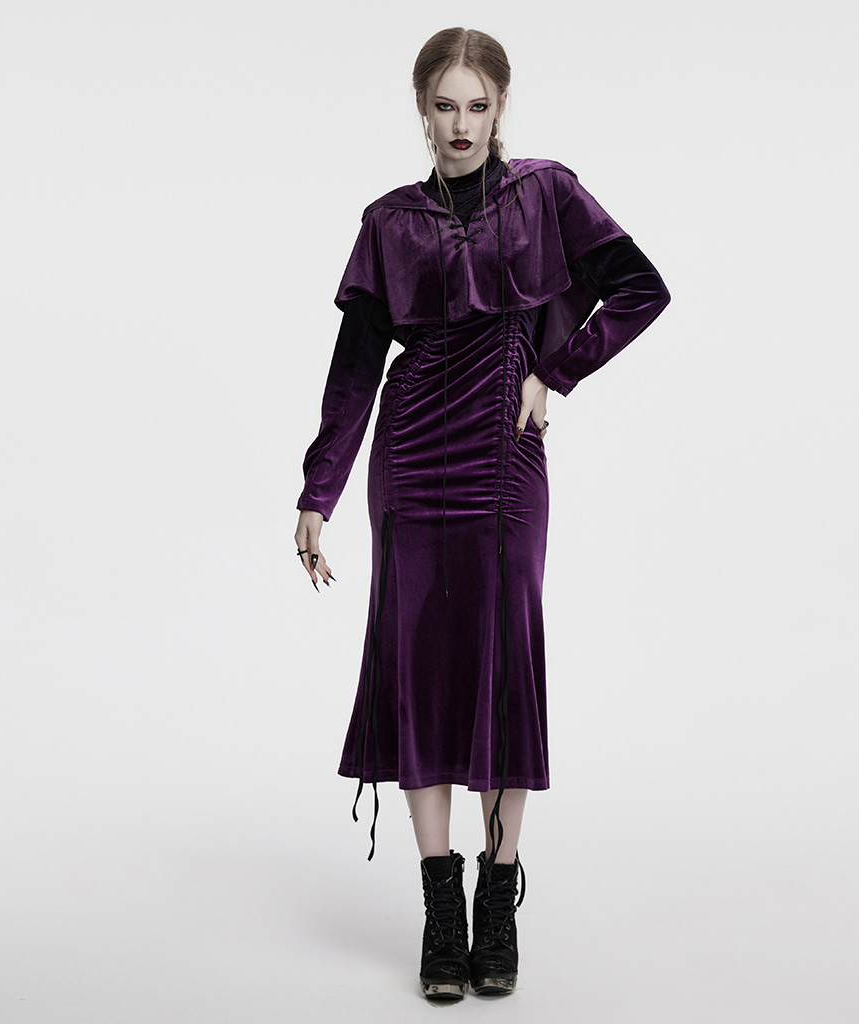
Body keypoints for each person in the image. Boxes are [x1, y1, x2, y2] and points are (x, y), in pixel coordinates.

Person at [294, 27, 670, 1000]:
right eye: (444, 105)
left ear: (501, 107)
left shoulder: (545, 192)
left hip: (505, 456)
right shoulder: (388, 221)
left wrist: (556, 372)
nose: (460, 123)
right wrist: (319, 491)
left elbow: (642, 288)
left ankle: (498, 897)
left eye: (477, 104)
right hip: (411, 459)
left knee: (505, 664)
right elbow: (353, 372)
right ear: (421, 109)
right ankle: (440, 907)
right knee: (418, 667)